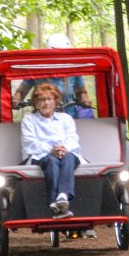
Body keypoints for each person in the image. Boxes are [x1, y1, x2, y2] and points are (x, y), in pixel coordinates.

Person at [20, 82, 83, 218]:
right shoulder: (29, 120)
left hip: (66, 153)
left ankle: (62, 195)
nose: (46, 103)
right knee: (51, 160)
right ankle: (54, 201)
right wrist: (51, 149)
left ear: (55, 102)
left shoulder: (66, 118)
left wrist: (63, 149)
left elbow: (73, 139)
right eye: (42, 100)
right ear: (36, 103)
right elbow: (29, 143)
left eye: (49, 99)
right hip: (42, 156)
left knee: (69, 157)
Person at [14, 33, 95, 118]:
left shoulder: (74, 69)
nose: (59, 58)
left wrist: (85, 99)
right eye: (54, 54)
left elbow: (81, 92)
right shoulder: (36, 69)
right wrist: (16, 99)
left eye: (63, 55)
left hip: (70, 117)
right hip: (42, 118)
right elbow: (21, 91)